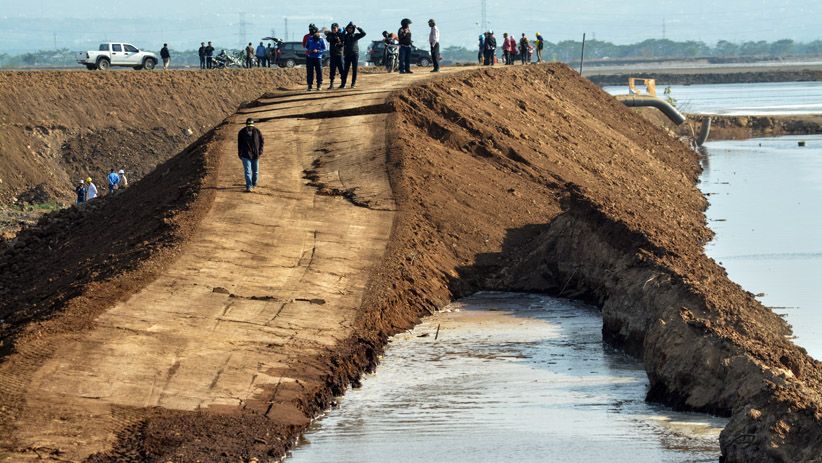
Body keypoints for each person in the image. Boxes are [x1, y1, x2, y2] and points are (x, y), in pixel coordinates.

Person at [237, 118, 264, 192]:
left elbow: (262, 141)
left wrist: (260, 150)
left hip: (255, 154)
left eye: (251, 125)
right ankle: (249, 186)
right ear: (246, 125)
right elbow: (239, 144)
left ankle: (254, 183)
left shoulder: (257, 131)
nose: (250, 127)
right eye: (248, 125)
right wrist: (239, 153)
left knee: (255, 171)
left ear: (253, 125)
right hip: (245, 155)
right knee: (248, 171)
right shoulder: (241, 132)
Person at [340, 22, 366, 88]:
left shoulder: (356, 35)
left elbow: (364, 33)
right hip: (347, 55)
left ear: (353, 29)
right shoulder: (345, 36)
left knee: (354, 70)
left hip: (355, 54)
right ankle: (343, 84)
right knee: (345, 70)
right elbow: (341, 38)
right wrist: (344, 31)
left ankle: (353, 84)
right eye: (348, 28)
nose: (350, 29)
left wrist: (357, 27)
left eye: (351, 28)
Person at [325, 23, 345, 89]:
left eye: (335, 28)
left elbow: (343, 43)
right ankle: (331, 84)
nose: (334, 29)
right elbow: (328, 39)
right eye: (332, 28)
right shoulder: (330, 34)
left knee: (341, 70)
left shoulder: (341, 34)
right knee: (332, 70)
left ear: (337, 28)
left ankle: (343, 83)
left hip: (339, 55)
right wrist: (334, 38)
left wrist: (340, 42)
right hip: (332, 55)